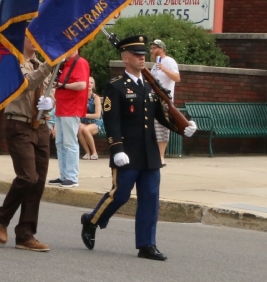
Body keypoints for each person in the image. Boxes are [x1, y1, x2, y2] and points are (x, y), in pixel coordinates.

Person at [82, 34, 197, 261]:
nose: (142, 58)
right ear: (125, 58)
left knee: (150, 197)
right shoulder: (116, 86)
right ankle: (92, 220)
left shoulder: (149, 86)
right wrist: (117, 149)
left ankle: (147, 244)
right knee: (120, 194)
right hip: (127, 151)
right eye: (136, 55)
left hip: (149, 152)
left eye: (144, 54)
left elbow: (162, 116)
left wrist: (183, 127)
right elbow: (111, 121)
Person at [0, 38, 58, 252]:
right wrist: (50, 65)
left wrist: (51, 103)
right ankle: (2, 217)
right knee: (28, 177)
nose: (37, 41)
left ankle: (26, 234)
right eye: (32, 36)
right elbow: (27, 84)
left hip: (40, 126)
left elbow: (49, 91)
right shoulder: (11, 62)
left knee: (38, 183)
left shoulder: (40, 64)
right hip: (18, 124)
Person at [48, 53, 91, 188]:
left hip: (71, 108)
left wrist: (62, 85)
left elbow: (82, 85)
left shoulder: (80, 62)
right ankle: (64, 176)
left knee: (70, 142)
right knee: (60, 142)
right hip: (62, 108)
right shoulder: (66, 64)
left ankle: (72, 177)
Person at [149, 39, 180, 163]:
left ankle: (161, 156)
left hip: (164, 100)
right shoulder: (154, 65)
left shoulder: (169, 61)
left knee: (162, 128)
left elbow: (177, 78)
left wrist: (164, 69)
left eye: (153, 48)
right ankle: (154, 155)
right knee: (153, 128)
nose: (151, 51)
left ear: (161, 49)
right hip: (153, 99)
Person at [79, 83, 101, 160]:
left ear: (94, 85)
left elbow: (97, 115)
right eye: (88, 82)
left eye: (91, 83)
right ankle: (87, 153)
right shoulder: (81, 97)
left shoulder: (96, 97)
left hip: (95, 122)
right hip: (84, 122)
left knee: (86, 130)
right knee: (79, 128)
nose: (89, 84)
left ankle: (94, 153)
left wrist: (83, 115)